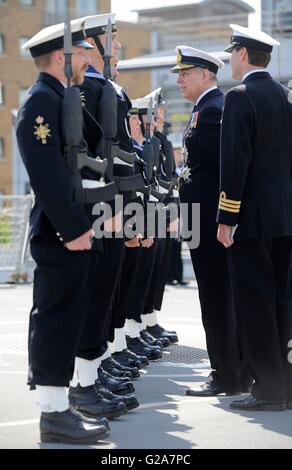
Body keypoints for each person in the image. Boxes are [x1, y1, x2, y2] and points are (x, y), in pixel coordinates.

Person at [15, 21, 110, 444]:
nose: (88, 60)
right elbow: (48, 175)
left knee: (69, 316)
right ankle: (53, 415)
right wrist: (73, 228)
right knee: (56, 318)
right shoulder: (40, 103)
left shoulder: (59, 99)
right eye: (81, 53)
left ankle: (60, 407)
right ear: (61, 57)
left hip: (71, 227)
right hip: (59, 231)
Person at [217, 24, 292, 411]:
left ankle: (268, 390)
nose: (229, 59)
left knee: (255, 304)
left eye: (231, 52)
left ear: (244, 54)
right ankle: (285, 385)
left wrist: (226, 218)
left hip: (250, 220)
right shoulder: (286, 97)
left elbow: (234, 164)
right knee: (282, 302)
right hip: (285, 218)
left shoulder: (240, 98)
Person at [171, 46, 250, 396]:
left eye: (184, 74)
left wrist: (224, 219)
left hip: (208, 223)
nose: (178, 80)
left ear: (205, 74)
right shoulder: (204, 108)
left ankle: (227, 374)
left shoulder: (214, 109)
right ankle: (230, 369)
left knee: (217, 299)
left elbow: (226, 169)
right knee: (217, 297)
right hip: (200, 220)